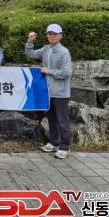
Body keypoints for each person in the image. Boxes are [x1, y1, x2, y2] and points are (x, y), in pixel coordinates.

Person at [26, 24, 72, 160]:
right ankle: (53, 142)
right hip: (48, 92)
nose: (52, 36)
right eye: (50, 34)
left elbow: (67, 72)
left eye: (55, 34)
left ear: (61, 35)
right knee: (52, 119)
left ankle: (65, 147)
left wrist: (49, 71)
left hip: (61, 93)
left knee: (62, 120)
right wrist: (30, 41)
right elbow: (30, 54)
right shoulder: (46, 48)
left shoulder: (64, 52)